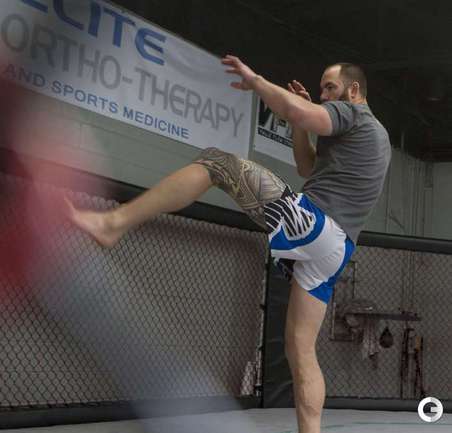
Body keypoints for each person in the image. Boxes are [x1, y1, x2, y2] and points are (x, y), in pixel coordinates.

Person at [64, 55, 391, 433]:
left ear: (354, 90)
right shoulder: (373, 136)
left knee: (217, 162)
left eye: (330, 88)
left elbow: (300, 112)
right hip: (337, 250)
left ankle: (113, 222)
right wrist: (298, 125)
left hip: (315, 224)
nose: (324, 96)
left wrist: (257, 81)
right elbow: (307, 166)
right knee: (300, 350)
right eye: (321, 90)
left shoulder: (353, 114)